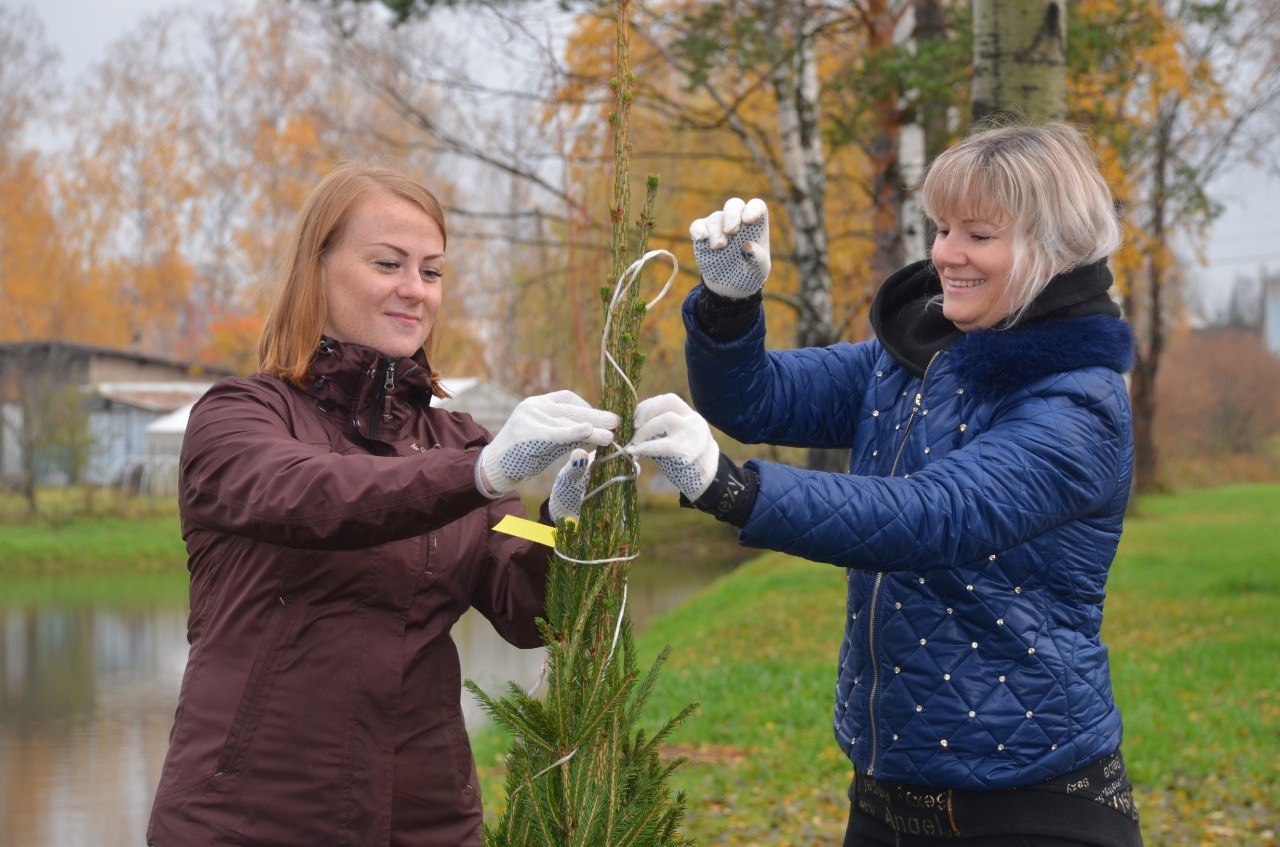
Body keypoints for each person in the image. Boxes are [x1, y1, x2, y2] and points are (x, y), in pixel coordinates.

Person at [628, 123, 1143, 847]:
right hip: (886, 798)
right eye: (941, 227)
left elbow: (937, 515)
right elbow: (757, 399)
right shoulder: (913, 356)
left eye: (979, 235)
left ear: (1054, 251)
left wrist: (730, 488)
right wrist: (727, 306)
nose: (945, 253)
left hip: (1030, 805)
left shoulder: (1078, 401)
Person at [146, 163, 618, 847]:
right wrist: (477, 473)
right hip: (248, 819)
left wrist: (565, 520)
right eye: (388, 263)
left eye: (432, 272)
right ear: (317, 268)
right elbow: (315, 495)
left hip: (426, 819)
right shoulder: (240, 416)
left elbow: (525, 604)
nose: (415, 290)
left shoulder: (458, 441)